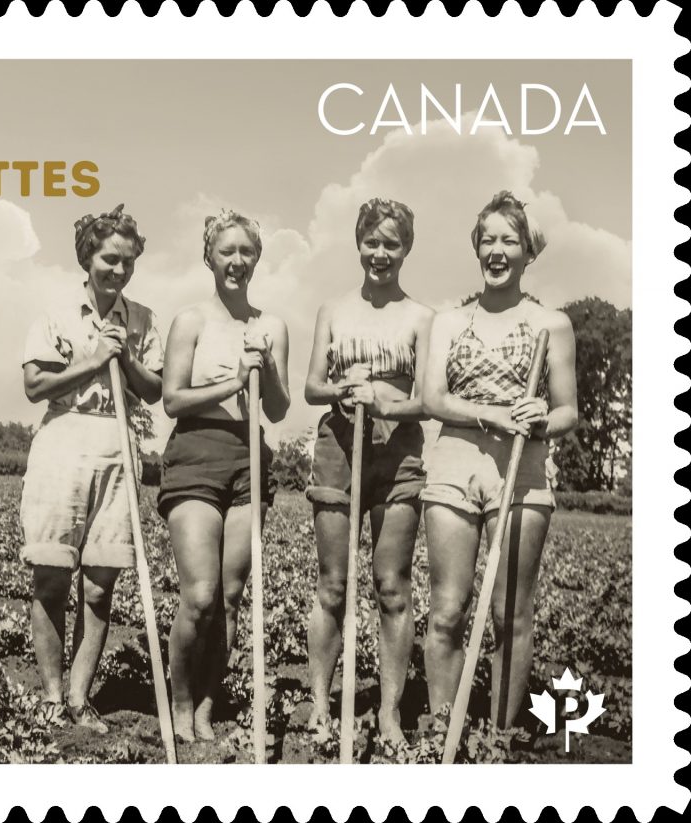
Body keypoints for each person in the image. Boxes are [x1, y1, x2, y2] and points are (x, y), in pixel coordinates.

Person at [420, 191, 578, 732]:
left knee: (511, 614)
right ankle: (446, 734)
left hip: (523, 467)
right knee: (447, 610)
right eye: (487, 238)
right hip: (453, 464)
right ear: (476, 248)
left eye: (509, 239)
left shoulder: (551, 324)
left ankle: (501, 739)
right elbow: (435, 399)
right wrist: (494, 415)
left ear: (528, 251)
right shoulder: (448, 320)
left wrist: (538, 417)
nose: (496, 249)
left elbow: (568, 412)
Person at [19, 204, 163, 733]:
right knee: (52, 575)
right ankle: (53, 697)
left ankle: (81, 698)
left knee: (101, 585)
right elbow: (35, 386)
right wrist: (93, 358)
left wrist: (123, 359)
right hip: (63, 439)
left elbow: (156, 391)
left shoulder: (143, 319)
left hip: (118, 444)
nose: (119, 271)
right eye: (109, 260)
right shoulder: (56, 315)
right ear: (87, 257)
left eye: (128, 262)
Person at [303, 198, 433, 746]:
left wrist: (383, 403)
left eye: (392, 243)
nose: (381, 253)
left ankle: (388, 711)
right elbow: (312, 387)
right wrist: (342, 391)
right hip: (339, 445)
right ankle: (318, 704)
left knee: (391, 586)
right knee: (332, 584)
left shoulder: (421, 317)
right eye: (372, 242)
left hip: (397, 451)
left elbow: (427, 400)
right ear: (358, 244)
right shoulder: (333, 309)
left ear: (406, 248)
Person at [159, 209, 290, 742]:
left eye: (247, 252)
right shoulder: (191, 321)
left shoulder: (271, 326)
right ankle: (180, 702)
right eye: (227, 251)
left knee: (231, 597)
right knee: (201, 595)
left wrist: (268, 371)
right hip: (194, 452)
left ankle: (208, 704)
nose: (237, 261)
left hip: (248, 458)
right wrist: (234, 383)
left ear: (257, 258)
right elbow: (172, 399)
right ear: (209, 256)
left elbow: (278, 411)